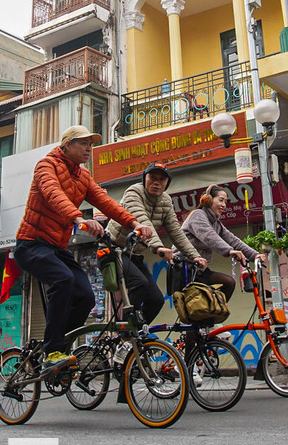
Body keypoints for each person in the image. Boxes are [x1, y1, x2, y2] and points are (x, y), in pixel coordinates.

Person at [13, 125, 141, 374]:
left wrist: (134, 223)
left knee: (85, 297)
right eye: (83, 143)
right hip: (31, 244)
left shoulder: (83, 175)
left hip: (56, 248)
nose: (88, 149)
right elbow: (53, 194)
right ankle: (51, 351)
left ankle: (60, 347)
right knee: (63, 280)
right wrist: (78, 219)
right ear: (67, 145)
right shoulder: (46, 166)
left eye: (91, 145)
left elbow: (105, 201)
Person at [105, 163, 208, 325]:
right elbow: (141, 220)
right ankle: (125, 332)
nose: (156, 183)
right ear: (144, 178)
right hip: (112, 249)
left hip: (133, 254)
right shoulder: (133, 192)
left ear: (167, 183)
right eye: (152, 178)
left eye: (161, 179)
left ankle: (139, 333)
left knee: (156, 300)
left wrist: (194, 256)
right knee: (139, 283)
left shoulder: (166, 201)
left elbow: (175, 231)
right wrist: (158, 247)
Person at [180, 184, 259, 300]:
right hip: (183, 269)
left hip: (200, 270)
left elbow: (233, 240)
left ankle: (216, 311)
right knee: (202, 303)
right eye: (221, 200)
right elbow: (209, 236)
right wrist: (229, 251)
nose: (224, 205)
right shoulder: (197, 215)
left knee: (228, 283)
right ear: (208, 200)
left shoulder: (216, 223)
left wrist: (255, 255)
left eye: (226, 202)